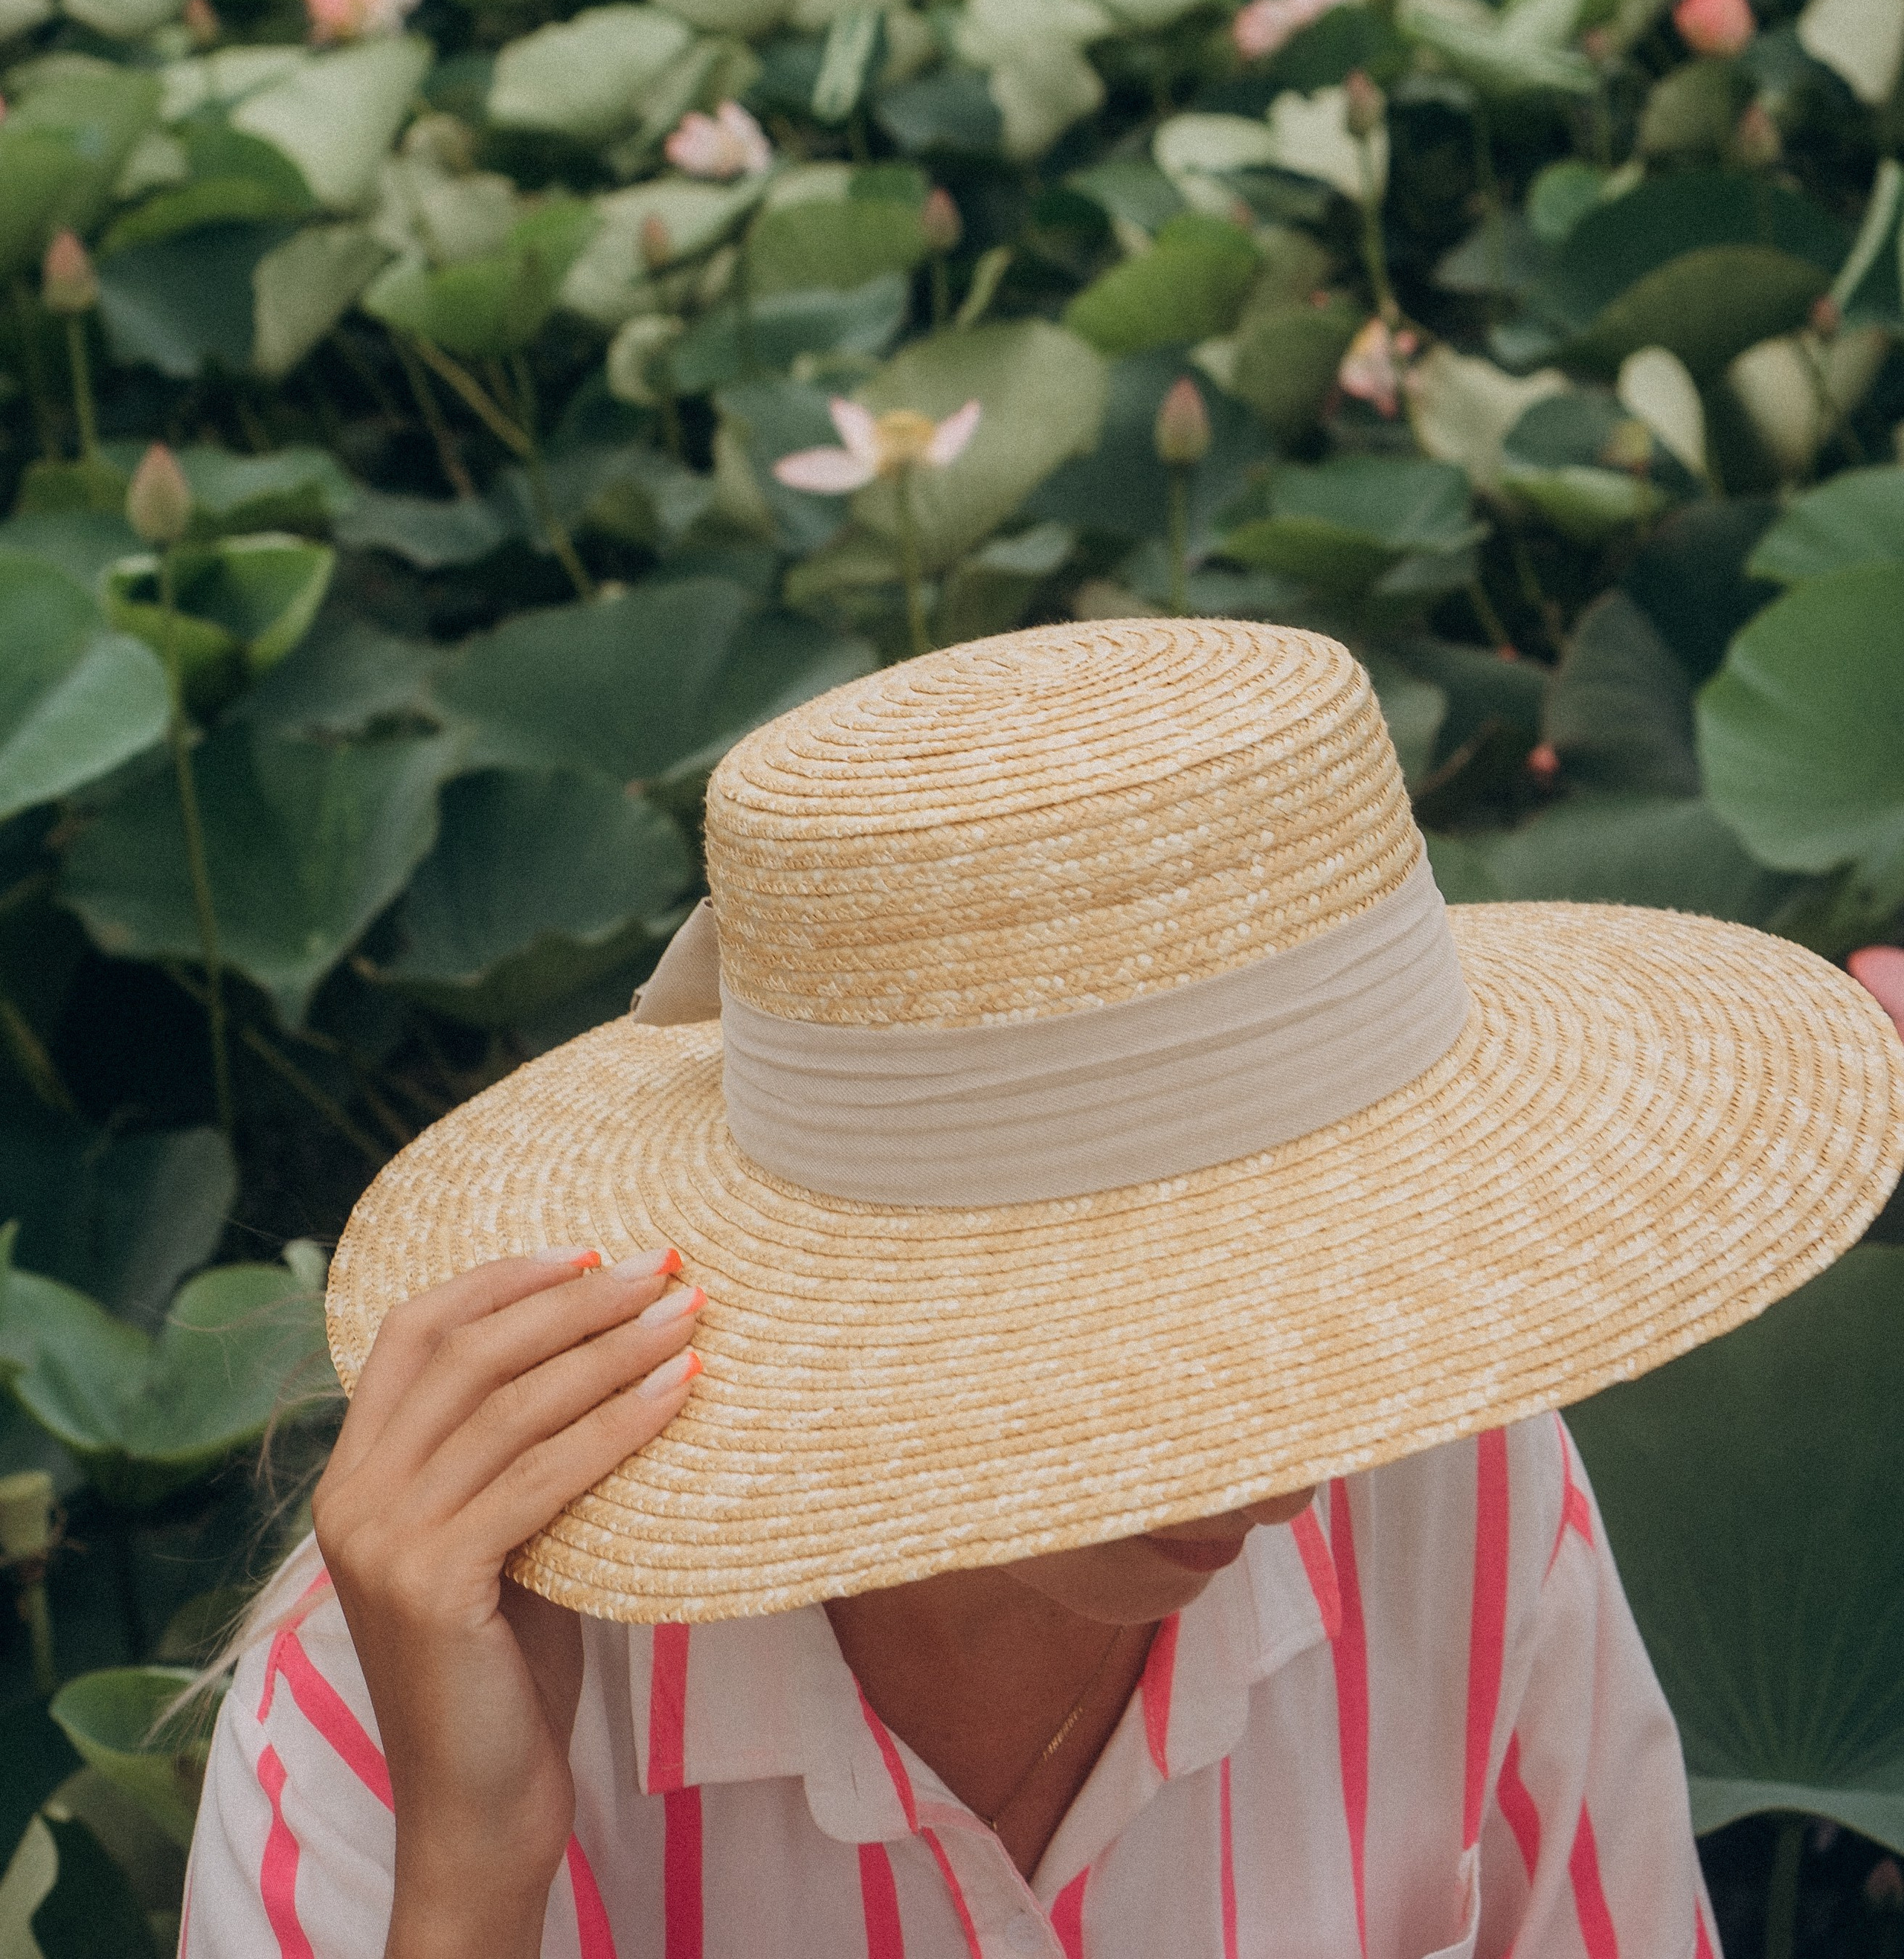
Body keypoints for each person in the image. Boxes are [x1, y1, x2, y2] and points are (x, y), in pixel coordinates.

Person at [183, 619, 1904, 1958]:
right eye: (1135, 1322)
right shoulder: (401, 1692)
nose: (1282, 1459)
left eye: (1314, 1276)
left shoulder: (1455, 1471)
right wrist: (474, 1877)